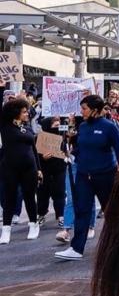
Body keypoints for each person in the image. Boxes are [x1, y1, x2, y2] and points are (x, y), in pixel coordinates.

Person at [55, 95, 119, 261]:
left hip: (106, 175)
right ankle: (76, 248)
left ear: (95, 110)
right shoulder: (83, 126)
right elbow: (80, 148)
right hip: (84, 175)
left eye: (84, 108)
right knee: (82, 211)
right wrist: (70, 154)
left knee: (111, 212)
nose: (81, 111)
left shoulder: (109, 127)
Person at [0, 98, 41, 243]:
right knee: (9, 198)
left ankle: (33, 225)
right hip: (10, 168)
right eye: (24, 112)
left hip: (29, 168)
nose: (27, 114)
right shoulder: (5, 126)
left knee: (30, 197)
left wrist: (39, 168)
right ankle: (6, 230)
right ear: (15, 113)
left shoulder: (28, 127)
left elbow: (34, 149)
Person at [36, 116, 67, 226]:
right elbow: (35, 155)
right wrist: (42, 157)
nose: (57, 125)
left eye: (58, 123)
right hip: (44, 170)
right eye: (54, 124)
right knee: (42, 193)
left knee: (59, 192)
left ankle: (60, 216)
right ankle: (41, 214)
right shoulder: (38, 138)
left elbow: (65, 151)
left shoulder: (63, 135)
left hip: (59, 169)